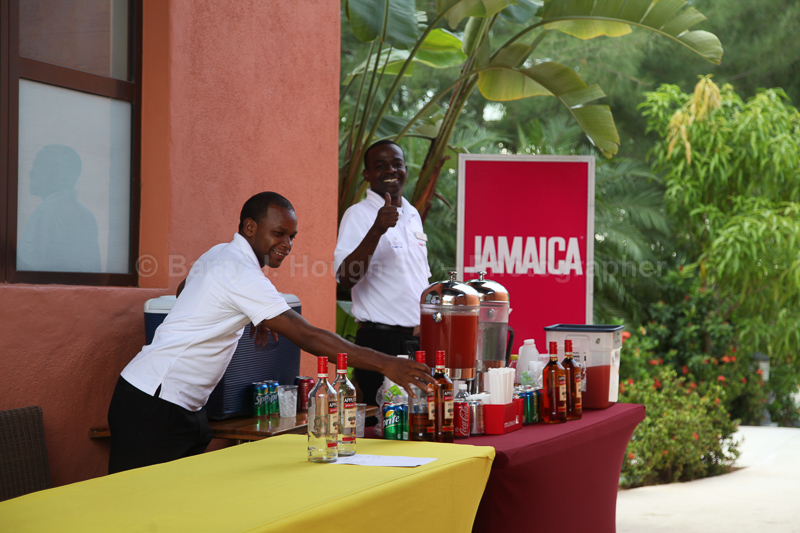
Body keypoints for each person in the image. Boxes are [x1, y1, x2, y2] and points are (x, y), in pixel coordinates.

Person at [107, 191, 435, 473]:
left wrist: (249, 314)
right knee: (133, 509)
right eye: (279, 233)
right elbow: (307, 336)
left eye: (292, 236)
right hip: (154, 402)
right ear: (250, 227)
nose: (287, 244)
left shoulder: (220, 253)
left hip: (176, 406)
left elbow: (185, 290)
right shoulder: (240, 271)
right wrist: (386, 363)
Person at [334, 140, 431, 407]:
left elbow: (417, 279)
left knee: (418, 417)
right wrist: (377, 229)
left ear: (406, 170)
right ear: (367, 174)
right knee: (383, 423)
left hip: (416, 341)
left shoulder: (412, 214)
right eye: (381, 165)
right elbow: (346, 278)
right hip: (380, 343)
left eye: (397, 164)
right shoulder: (359, 215)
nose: (390, 170)